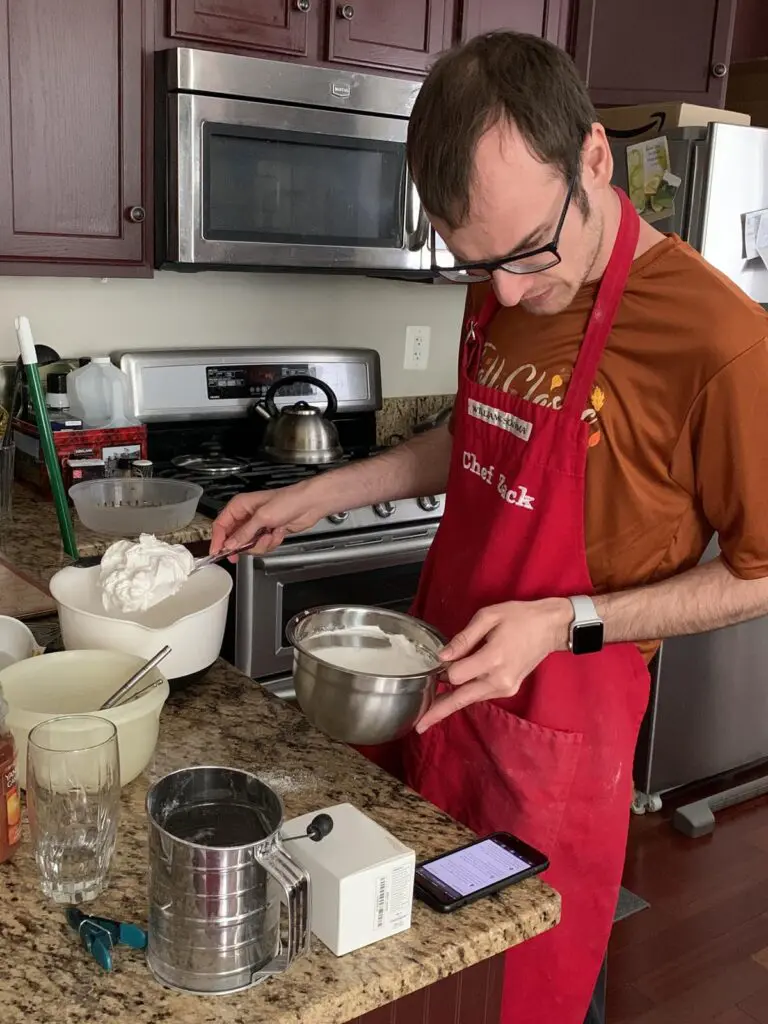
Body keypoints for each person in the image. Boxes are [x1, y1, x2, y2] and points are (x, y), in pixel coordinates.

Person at [211, 31, 768, 1024]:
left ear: (593, 159)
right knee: (420, 971)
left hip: (556, 735)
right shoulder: (504, 272)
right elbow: (483, 430)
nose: (504, 293)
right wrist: (324, 493)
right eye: (475, 264)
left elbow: (760, 573)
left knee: (526, 986)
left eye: (525, 255)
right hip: (438, 702)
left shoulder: (720, 342)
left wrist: (562, 622)